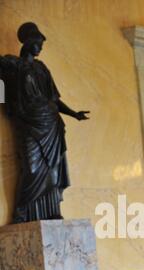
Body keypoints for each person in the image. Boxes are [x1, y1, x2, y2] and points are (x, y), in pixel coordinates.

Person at [0, 22, 90, 223]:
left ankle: (51, 210)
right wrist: (5, 102)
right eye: (38, 43)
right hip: (28, 124)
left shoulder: (42, 68)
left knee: (53, 169)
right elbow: (1, 88)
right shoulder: (12, 64)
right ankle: (22, 212)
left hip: (50, 123)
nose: (41, 47)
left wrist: (74, 114)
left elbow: (54, 100)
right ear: (29, 40)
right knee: (31, 168)